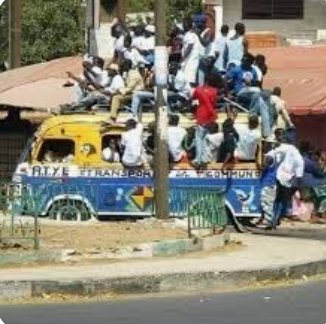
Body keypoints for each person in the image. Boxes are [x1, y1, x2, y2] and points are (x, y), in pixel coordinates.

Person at [266, 131, 305, 229]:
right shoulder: (292, 149)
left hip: (274, 177)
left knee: (277, 200)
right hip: (286, 178)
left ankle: (274, 220)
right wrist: (299, 178)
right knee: (283, 200)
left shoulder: (276, 149)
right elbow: (299, 163)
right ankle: (275, 220)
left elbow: (268, 158)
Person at [192, 71, 219, 167]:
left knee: (199, 139)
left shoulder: (198, 89)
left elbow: (193, 99)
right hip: (210, 117)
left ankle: (198, 160)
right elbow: (214, 104)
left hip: (201, 116)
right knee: (205, 139)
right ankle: (204, 159)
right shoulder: (215, 91)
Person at [181, 17, 201, 86]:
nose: (183, 25)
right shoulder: (187, 34)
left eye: (184, 23)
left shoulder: (191, 35)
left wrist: (182, 59)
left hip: (191, 61)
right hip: (187, 61)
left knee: (189, 81)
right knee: (185, 80)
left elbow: (189, 47)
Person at [258, 155, 277, 226]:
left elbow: (262, 167)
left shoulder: (269, 168)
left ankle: (268, 221)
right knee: (268, 203)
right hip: (270, 186)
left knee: (266, 203)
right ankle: (269, 221)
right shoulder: (272, 168)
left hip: (268, 186)